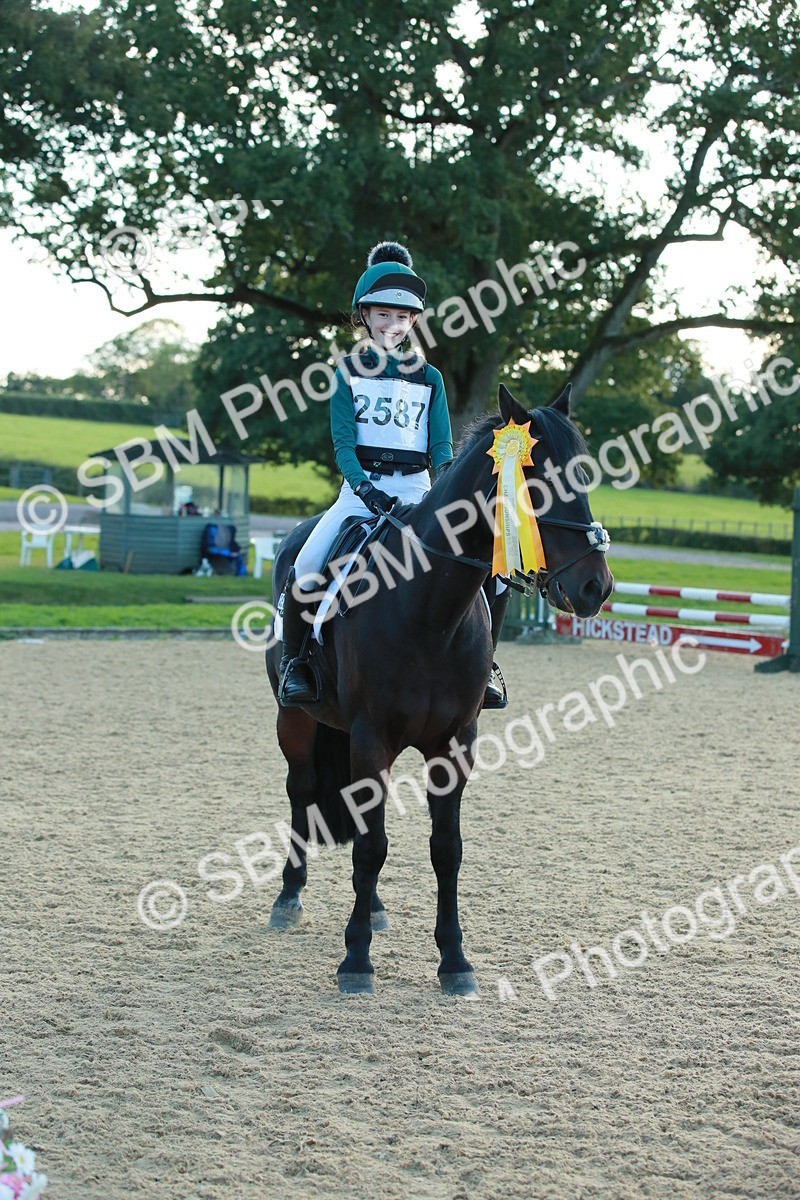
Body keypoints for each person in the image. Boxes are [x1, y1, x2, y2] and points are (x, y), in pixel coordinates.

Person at [278, 240, 506, 709]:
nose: (392, 325)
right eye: (383, 314)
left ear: (414, 322)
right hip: (360, 492)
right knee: (305, 566)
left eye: (402, 318)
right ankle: (296, 664)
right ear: (365, 316)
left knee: (496, 572)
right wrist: (364, 489)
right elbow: (344, 444)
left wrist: (447, 487)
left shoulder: (431, 378)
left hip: (419, 489)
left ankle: (487, 665)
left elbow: (441, 445)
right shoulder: (347, 371)